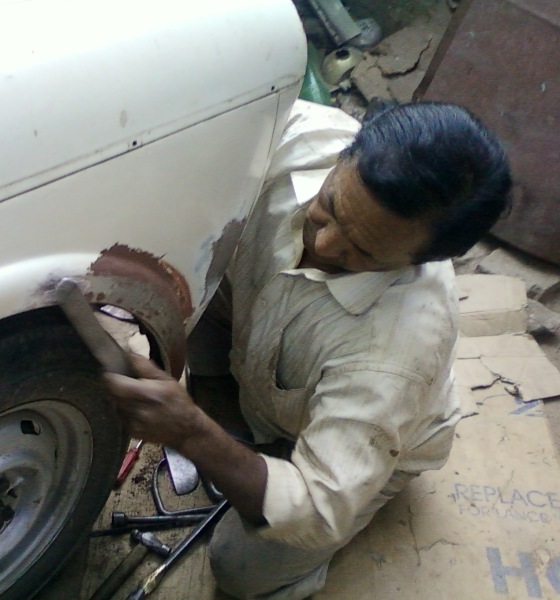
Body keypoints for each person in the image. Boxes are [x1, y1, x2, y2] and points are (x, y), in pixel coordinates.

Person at [104, 99, 512, 600]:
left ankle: (277, 459)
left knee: (240, 570)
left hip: (368, 434)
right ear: (346, 155)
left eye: (362, 252)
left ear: (422, 261)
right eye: (332, 207)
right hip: (258, 339)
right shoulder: (298, 134)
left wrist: (191, 432)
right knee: (197, 283)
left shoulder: (396, 354)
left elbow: (320, 510)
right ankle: (251, 446)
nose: (324, 243)